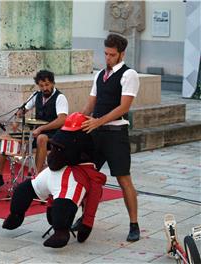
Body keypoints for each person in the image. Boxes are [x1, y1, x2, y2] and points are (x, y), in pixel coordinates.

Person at [2, 113, 106, 248]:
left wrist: (87, 224)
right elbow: (53, 186)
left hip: (74, 178)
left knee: (62, 205)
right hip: (54, 172)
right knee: (24, 189)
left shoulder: (89, 173)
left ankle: (61, 232)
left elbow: (92, 199)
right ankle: (16, 215)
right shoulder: (63, 137)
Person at [79, 33, 140, 242]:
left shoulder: (129, 74)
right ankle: (84, 218)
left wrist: (98, 121)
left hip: (116, 134)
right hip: (96, 133)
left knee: (124, 179)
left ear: (121, 54)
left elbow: (124, 107)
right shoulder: (99, 74)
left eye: (112, 55)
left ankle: (134, 224)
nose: (107, 58)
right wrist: (78, 120)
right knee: (86, 175)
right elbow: (91, 103)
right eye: (105, 54)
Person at [0, 70, 68, 187]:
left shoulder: (60, 98)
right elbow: (23, 109)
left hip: (53, 135)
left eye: (47, 85)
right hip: (36, 133)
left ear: (52, 83)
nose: (45, 88)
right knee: (4, 138)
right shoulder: (36, 95)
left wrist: (42, 128)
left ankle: (36, 178)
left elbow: (62, 120)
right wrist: (17, 117)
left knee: (41, 138)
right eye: (41, 86)